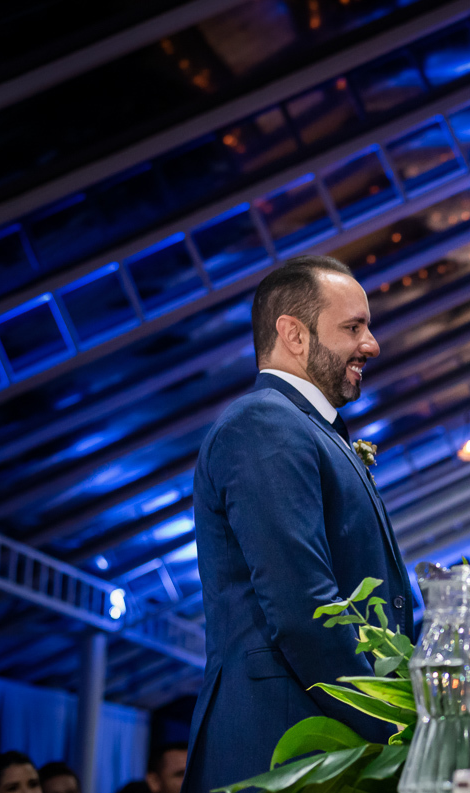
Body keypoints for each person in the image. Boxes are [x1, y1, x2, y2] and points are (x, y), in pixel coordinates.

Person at [183, 255, 415, 793]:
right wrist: (394, 729)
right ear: (293, 333)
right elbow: (304, 606)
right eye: (353, 327)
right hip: (282, 746)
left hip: (319, 742)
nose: (372, 344)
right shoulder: (265, 422)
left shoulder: (309, 429)